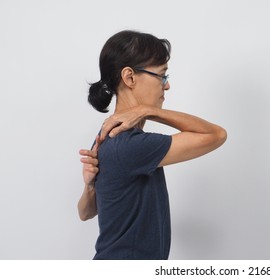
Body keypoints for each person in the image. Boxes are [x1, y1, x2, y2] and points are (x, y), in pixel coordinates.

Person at [77, 30, 227, 260]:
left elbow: (85, 212)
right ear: (129, 78)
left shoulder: (109, 135)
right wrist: (148, 110)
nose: (166, 86)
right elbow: (216, 135)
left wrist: (90, 187)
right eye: (161, 76)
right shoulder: (130, 145)